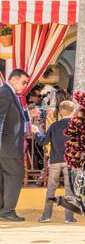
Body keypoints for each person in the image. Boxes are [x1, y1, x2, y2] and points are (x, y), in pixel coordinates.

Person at [35, 100, 77, 223]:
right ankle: (69, 218)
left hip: (55, 160)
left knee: (51, 188)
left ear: (60, 111)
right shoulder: (76, 125)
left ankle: (46, 216)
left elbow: (43, 142)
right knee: (69, 189)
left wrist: (37, 132)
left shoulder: (54, 125)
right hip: (70, 161)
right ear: (73, 111)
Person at [0, 69, 31, 222]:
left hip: (6, 146)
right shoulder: (6, 92)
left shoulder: (9, 93)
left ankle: (3, 209)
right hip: (8, 146)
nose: (25, 85)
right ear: (13, 79)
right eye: (24, 82)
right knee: (15, 176)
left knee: (4, 178)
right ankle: (7, 211)